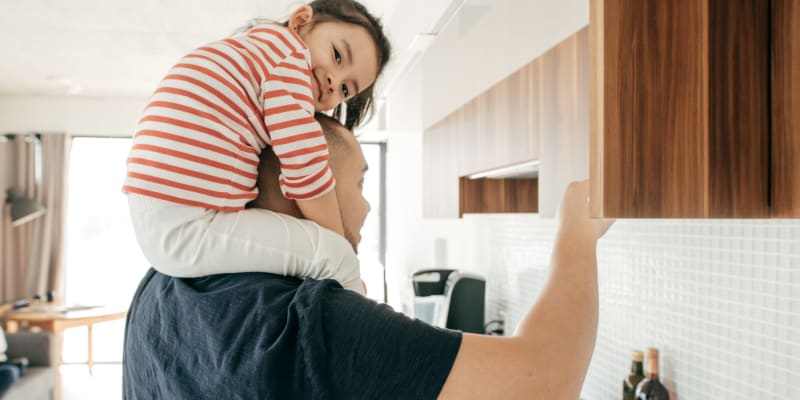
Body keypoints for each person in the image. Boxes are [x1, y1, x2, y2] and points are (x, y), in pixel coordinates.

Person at [123, 114, 615, 399]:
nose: (366, 204)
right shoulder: (313, 320)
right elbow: (545, 380)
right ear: (301, 183)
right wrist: (577, 236)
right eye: (359, 182)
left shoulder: (159, 285)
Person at [122, 0, 391, 293]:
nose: (333, 81)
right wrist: (340, 244)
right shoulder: (286, 63)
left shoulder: (256, 54)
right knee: (333, 255)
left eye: (345, 90)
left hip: (160, 213)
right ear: (301, 21)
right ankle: (360, 325)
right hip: (185, 224)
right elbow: (307, 170)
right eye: (337, 55)